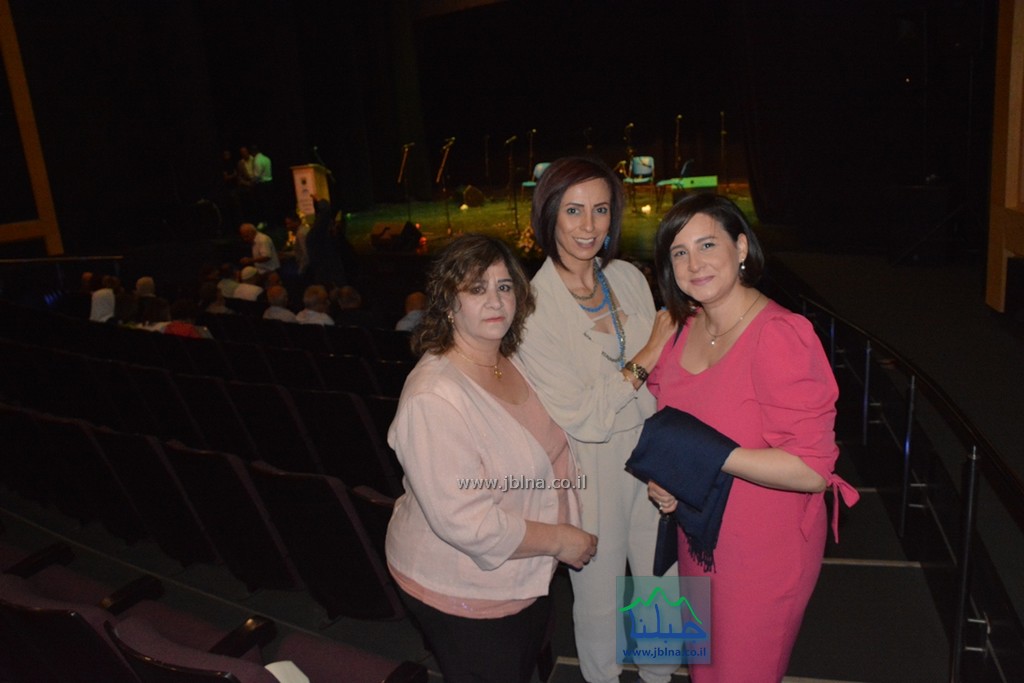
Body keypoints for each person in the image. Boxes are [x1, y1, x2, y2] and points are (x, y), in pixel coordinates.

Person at [644, 193, 859, 682]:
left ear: (741, 247)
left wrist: (708, 456)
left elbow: (811, 471)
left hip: (764, 553)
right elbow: (673, 427)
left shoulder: (780, 334)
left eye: (707, 245)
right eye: (679, 253)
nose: (694, 264)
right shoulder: (684, 329)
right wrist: (670, 478)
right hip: (698, 540)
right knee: (704, 673)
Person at [385, 234, 596, 683]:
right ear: (448, 303)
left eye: (504, 286)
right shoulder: (433, 397)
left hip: (525, 570)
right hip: (463, 590)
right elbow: (468, 522)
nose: (496, 300)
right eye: (477, 289)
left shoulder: (512, 359)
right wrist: (561, 539)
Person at [517, 156, 677, 683]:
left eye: (601, 210)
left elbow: (663, 381)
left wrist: (673, 455)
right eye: (574, 210)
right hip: (591, 464)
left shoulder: (627, 277)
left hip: (653, 448)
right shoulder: (532, 307)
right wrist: (649, 353)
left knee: (665, 583)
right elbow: (584, 417)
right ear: (549, 216)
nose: (589, 225)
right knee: (600, 598)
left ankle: (660, 678)